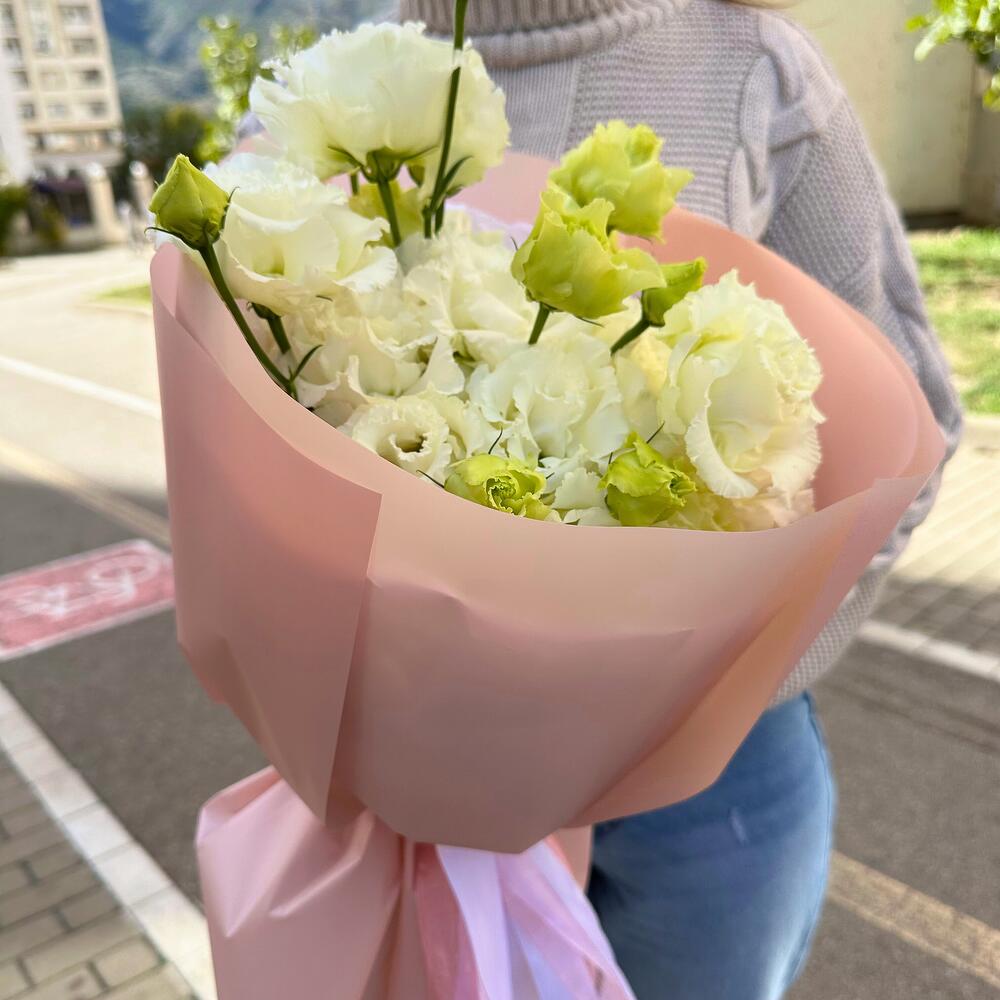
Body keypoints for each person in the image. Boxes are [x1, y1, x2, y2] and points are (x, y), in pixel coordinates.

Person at [398, 1, 963, 997]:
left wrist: (727, 680)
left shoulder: (754, 69)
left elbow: (906, 422)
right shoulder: (343, 92)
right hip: (428, 770)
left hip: (713, 781)